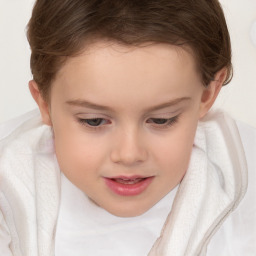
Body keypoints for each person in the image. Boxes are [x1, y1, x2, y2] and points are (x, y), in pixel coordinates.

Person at [0, 0, 255, 255]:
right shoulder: (9, 184)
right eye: (94, 121)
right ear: (44, 102)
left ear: (207, 94)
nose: (129, 154)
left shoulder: (245, 183)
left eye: (162, 119)